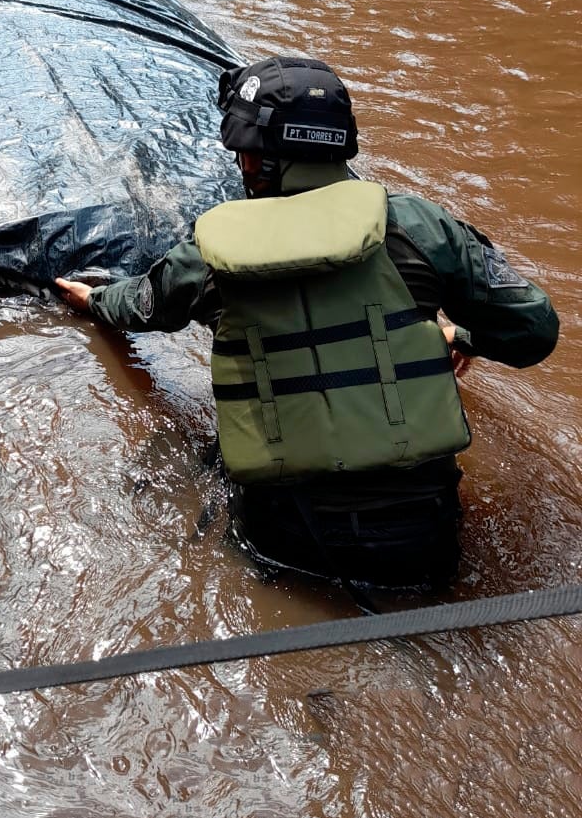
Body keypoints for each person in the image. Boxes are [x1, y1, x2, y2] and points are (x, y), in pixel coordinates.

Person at [56, 55, 559, 589]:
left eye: (246, 156)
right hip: (426, 540)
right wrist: (465, 337)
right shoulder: (419, 228)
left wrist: (92, 300)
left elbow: (140, 306)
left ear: (261, 163)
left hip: (287, 541)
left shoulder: (210, 257)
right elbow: (534, 327)